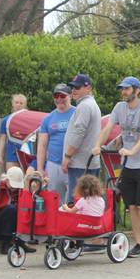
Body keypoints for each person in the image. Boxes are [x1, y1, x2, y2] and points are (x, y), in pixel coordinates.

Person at [93, 76, 140, 256]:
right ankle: (139, 245)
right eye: (122, 89)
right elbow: (108, 128)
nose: (123, 92)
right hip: (128, 165)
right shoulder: (119, 107)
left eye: (127, 89)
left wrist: (133, 150)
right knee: (132, 205)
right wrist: (97, 145)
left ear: (136, 90)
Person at [62, 73, 102, 205]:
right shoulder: (91, 104)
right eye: (72, 87)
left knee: (76, 203)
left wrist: (67, 156)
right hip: (89, 161)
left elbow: (79, 133)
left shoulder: (84, 106)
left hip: (80, 163)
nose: (73, 91)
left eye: (77, 88)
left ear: (88, 88)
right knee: (90, 202)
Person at [36, 84, 75, 199]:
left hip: (73, 163)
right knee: (54, 198)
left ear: (70, 96)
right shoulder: (48, 118)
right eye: (56, 96)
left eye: (62, 96)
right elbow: (42, 145)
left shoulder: (77, 113)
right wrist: (40, 168)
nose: (59, 99)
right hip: (54, 164)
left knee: (73, 199)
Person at [0, 94, 29, 171]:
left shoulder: (29, 120)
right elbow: (2, 139)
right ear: (12, 104)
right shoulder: (6, 120)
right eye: (16, 102)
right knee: (12, 178)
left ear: (25, 105)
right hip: (12, 153)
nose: (19, 105)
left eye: (21, 103)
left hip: (26, 153)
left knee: (26, 179)